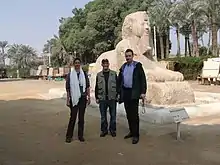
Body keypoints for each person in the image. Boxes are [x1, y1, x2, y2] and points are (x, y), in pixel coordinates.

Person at [118, 49, 147, 144]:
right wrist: (119, 92)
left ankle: (136, 135)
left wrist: (143, 92)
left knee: (134, 115)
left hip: (134, 92)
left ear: (132, 56)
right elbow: (119, 81)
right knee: (128, 114)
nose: (128, 58)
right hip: (126, 92)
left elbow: (143, 79)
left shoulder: (137, 66)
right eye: (126, 56)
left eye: (129, 56)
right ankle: (131, 131)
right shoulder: (123, 67)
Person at [65, 58, 91, 143]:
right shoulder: (70, 75)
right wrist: (68, 99)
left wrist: (89, 97)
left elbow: (87, 86)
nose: (77, 64)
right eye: (75, 63)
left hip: (83, 98)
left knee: (81, 118)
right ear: (73, 64)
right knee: (72, 117)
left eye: (78, 63)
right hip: (74, 98)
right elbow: (68, 89)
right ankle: (69, 136)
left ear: (80, 64)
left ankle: (80, 136)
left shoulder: (84, 74)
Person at [95, 59, 118, 137]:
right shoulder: (99, 75)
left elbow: (117, 86)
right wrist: (97, 97)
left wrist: (118, 95)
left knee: (113, 116)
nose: (105, 65)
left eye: (106, 63)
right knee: (103, 116)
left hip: (112, 98)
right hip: (102, 99)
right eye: (104, 63)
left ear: (109, 64)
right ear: (102, 65)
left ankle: (112, 130)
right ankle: (104, 130)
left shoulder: (114, 74)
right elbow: (96, 87)